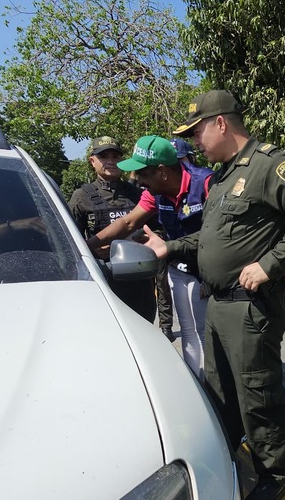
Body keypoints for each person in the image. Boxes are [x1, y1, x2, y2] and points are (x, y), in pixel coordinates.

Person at [143, 89, 285, 500]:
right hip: (218, 302)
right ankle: (225, 454)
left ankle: (275, 473)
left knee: (257, 392)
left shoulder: (267, 165)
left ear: (221, 123)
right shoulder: (224, 176)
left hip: (250, 305)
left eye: (197, 131)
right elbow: (211, 238)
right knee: (221, 388)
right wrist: (169, 247)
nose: (194, 141)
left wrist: (270, 265)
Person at [87, 135, 214, 377]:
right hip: (179, 270)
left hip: (209, 272)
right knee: (188, 331)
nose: (138, 180)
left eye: (142, 174)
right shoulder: (154, 192)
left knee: (207, 334)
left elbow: (219, 235)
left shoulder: (207, 184)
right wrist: (87, 246)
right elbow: (128, 222)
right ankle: (197, 384)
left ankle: (214, 387)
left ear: (162, 172)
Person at [68, 136, 155, 322]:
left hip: (139, 282)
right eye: (103, 156)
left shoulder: (140, 194)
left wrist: (147, 242)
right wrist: (93, 251)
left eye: (115, 156)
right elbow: (69, 243)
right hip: (103, 282)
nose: (110, 161)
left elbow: (159, 231)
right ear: (92, 161)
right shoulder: (81, 197)